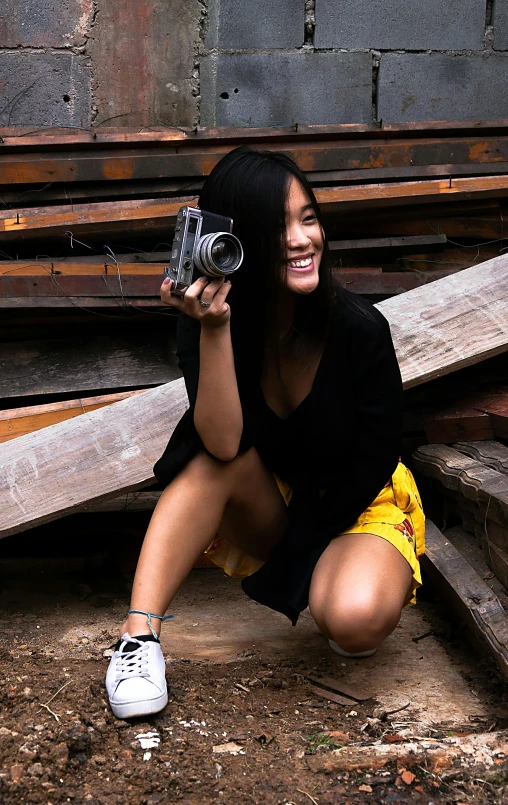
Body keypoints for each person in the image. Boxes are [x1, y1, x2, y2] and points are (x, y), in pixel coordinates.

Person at [105, 147, 425, 720]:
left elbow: (374, 458)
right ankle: (138, 639)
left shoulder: (358, 331)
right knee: (208, 460)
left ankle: (348, 576)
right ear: (239, 240)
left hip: (356, 502)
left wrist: (303, 555)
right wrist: (214, 330)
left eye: (309, 218)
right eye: (279, 227)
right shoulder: (208, 324)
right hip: (273, 500)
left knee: (354, 622)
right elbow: (223, 443)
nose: (303, 239)